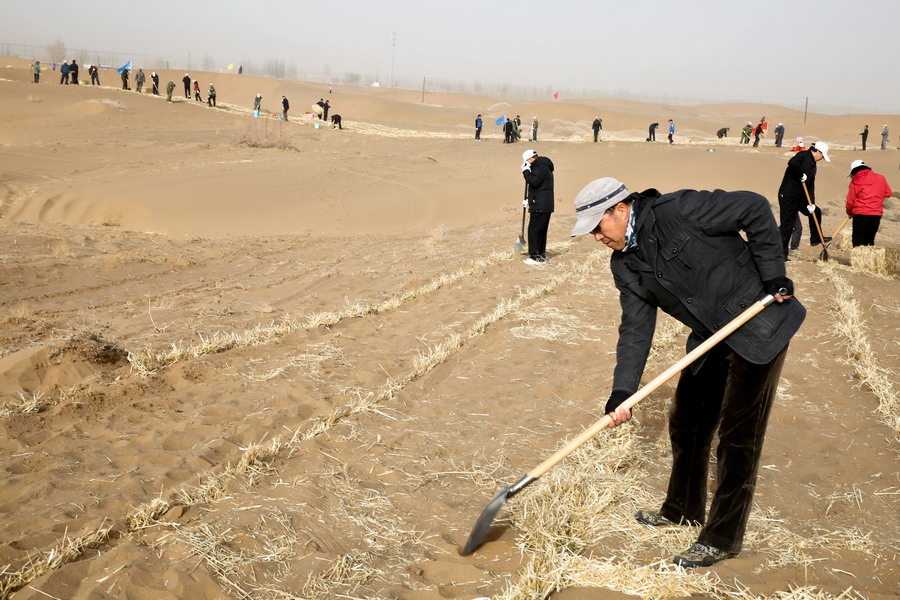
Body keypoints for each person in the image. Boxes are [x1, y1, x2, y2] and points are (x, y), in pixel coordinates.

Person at [570, 177, 806, 568]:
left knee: (737, 436)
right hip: (711, 335)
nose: (596, 236)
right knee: (687, 421)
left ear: (621, 209)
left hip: (760, 323)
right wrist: (623, 391)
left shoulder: (678, 210)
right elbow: (635, 328)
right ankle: (682, 508)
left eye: (598, 226)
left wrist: (773, 273)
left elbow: (754, 205)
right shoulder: (625, 265)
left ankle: (722, 537)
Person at [777, 141, 831, 258]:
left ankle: (816, 238)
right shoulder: (804, 155)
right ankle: (781, 254)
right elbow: (792, 163)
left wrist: (811, 203)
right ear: (817, 152)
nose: (822, 158)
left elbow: (811, 186)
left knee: (815, 211)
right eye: (822, 156)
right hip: (787, 196)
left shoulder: (813, 165)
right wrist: (800, 174)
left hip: (800, 198)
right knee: (787, 225)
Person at [846, 159, 892, 247]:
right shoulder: (881, 178)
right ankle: (867, 260)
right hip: (876, 214)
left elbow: (850, 200)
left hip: (860, 214)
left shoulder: (855, 180)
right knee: (870, 240)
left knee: (858, 241)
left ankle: (859, 260)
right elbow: (888, 193)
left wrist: (849, 212)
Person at [520, 149, 554, 265]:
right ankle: (540, 255)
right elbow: (539, 186)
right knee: (541, 230)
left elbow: (534, 181)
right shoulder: (544, 166)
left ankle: (535, 256)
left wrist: (525, 172)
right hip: (544, 203)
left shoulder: (539, 167)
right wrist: (529, 199)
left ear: (529, 159)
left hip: (540, 204)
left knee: (534, 230)